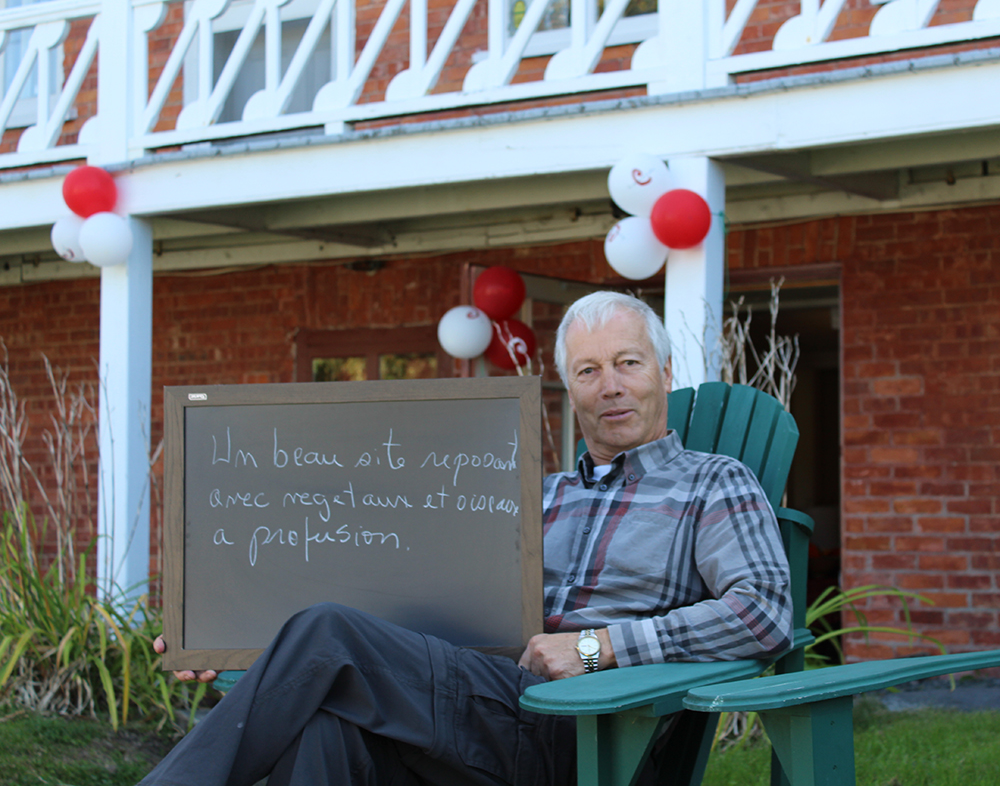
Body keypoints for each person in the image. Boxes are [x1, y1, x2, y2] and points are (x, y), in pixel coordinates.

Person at [141, 291, 792, 786]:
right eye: (589, 371)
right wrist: (227, 633)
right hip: (489, 705)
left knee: (329, 634)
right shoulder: (537, 494)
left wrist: (596, 649)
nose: (611, 386)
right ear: (571, 388)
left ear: (665, 371)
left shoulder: (714, 483)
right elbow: (405, 599)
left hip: (600, 729)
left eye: (628, 363)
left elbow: (762, 614)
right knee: (326, 730)